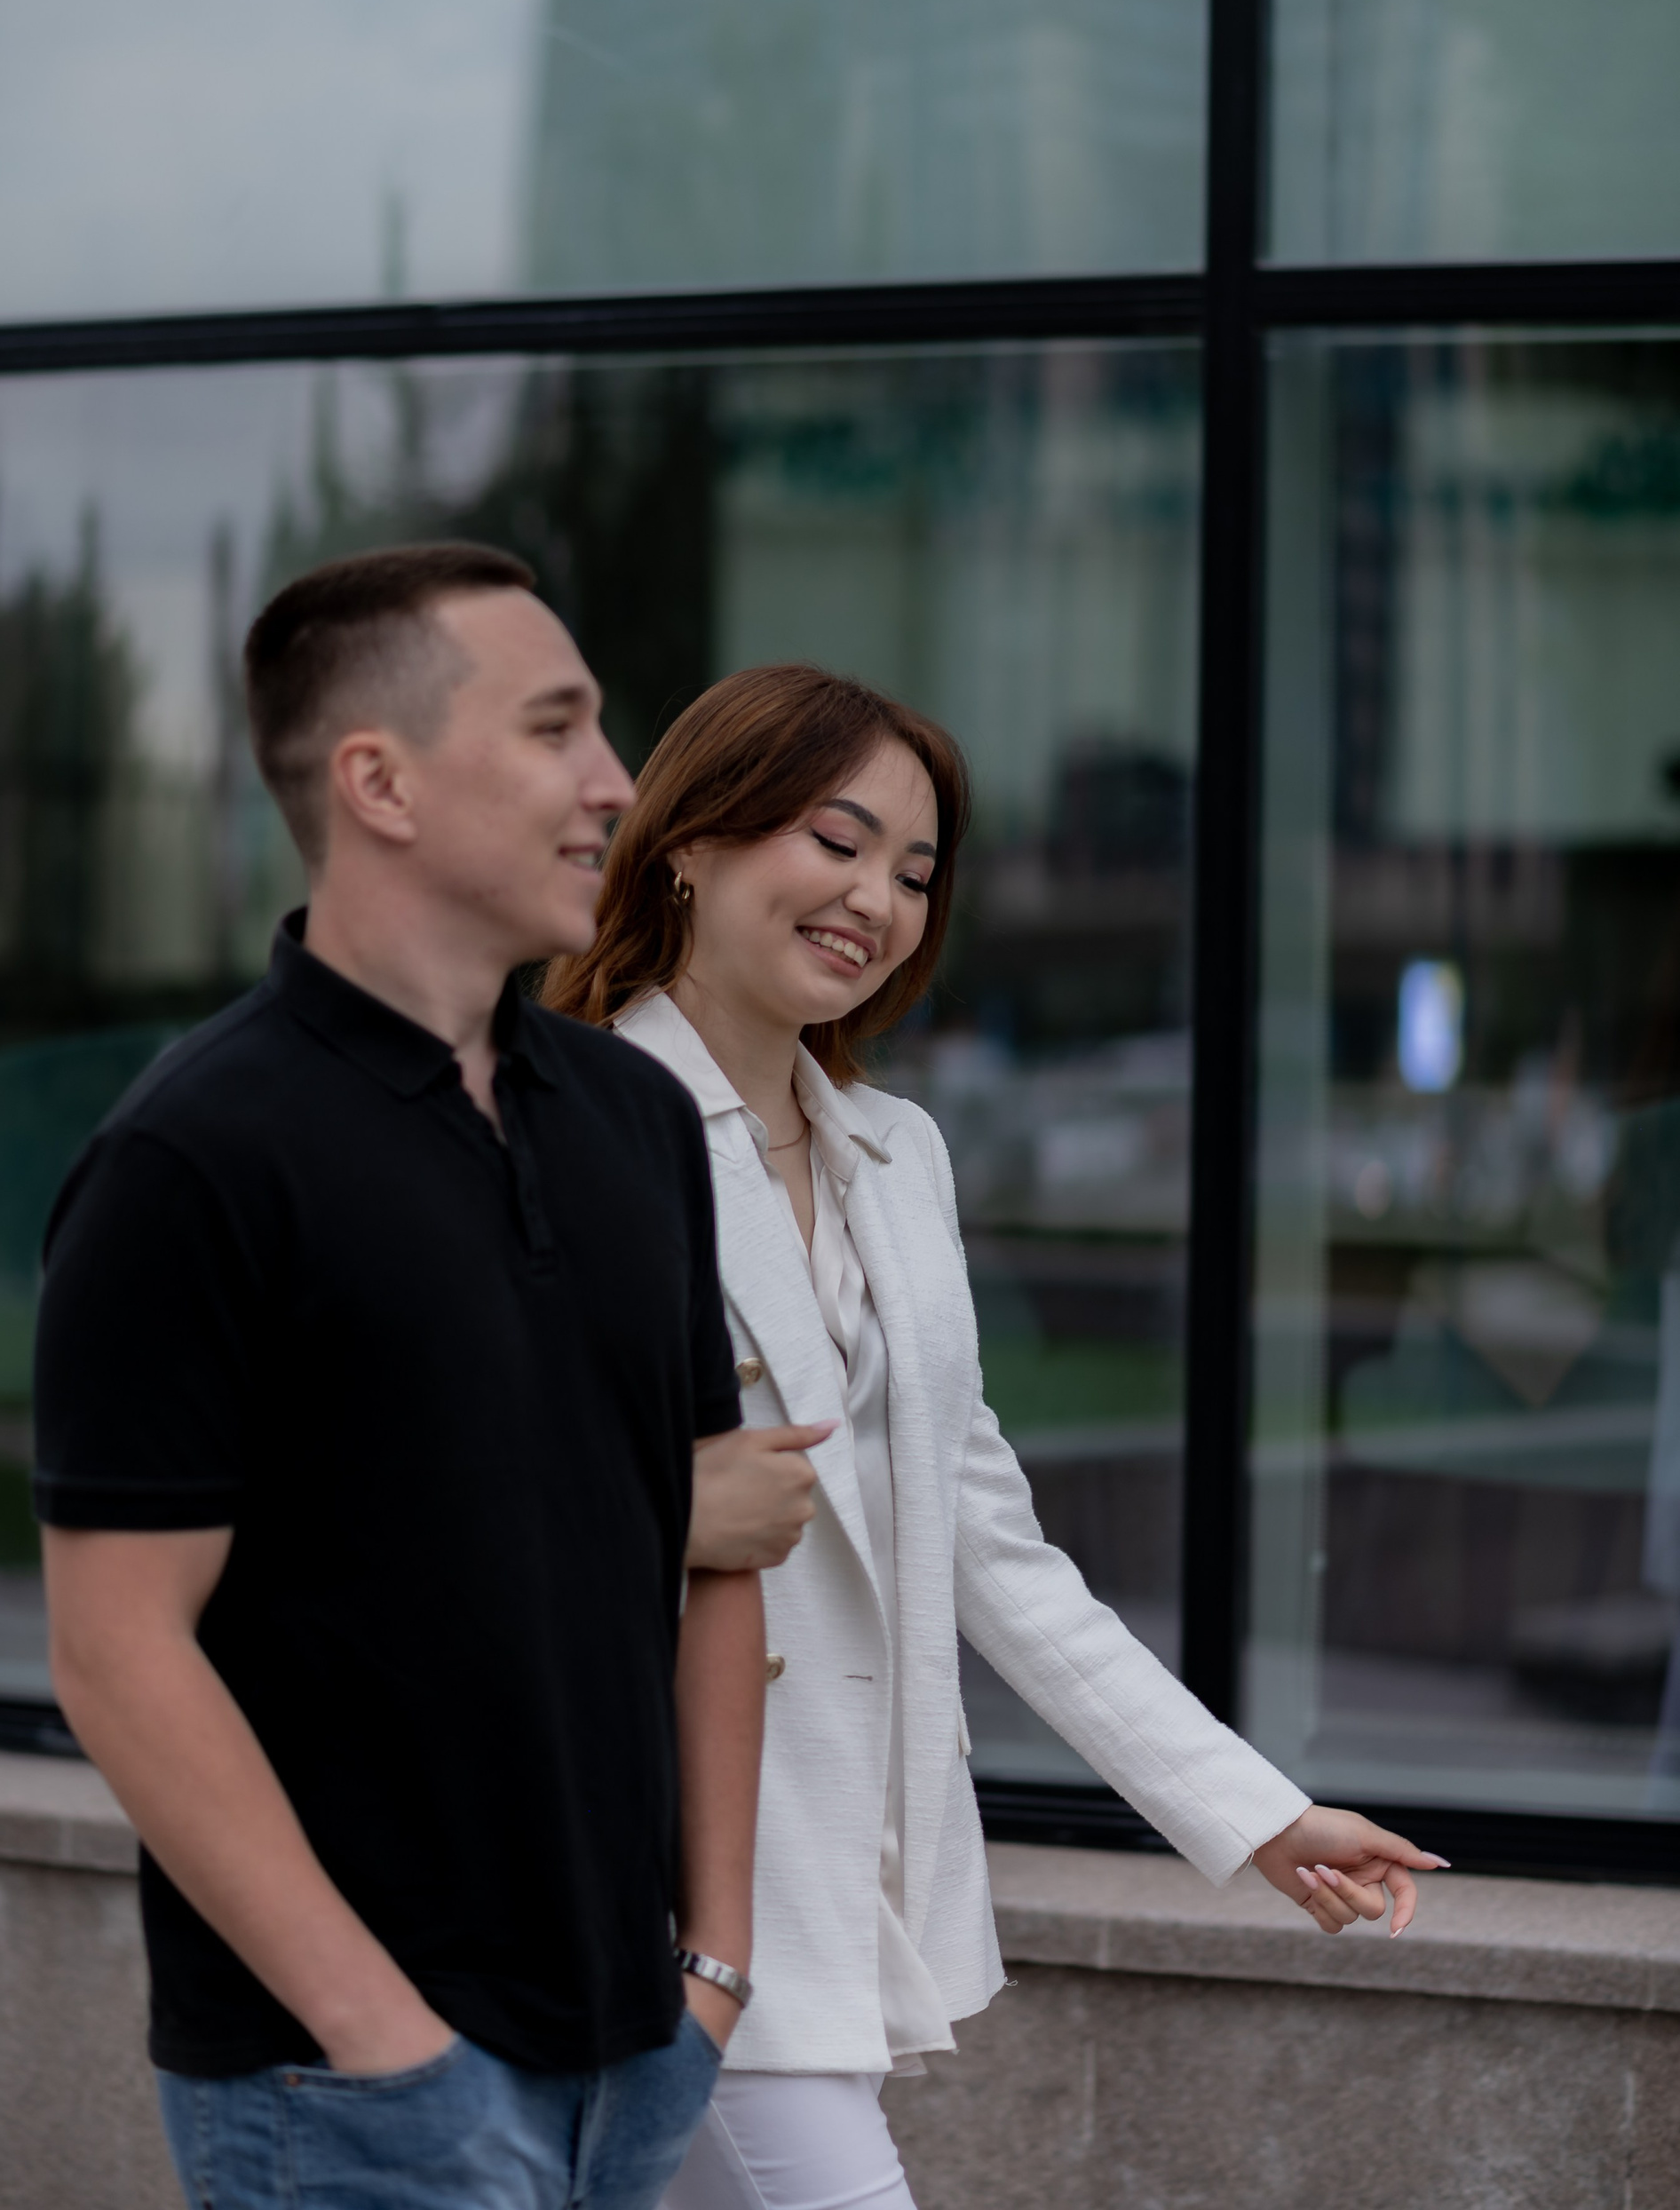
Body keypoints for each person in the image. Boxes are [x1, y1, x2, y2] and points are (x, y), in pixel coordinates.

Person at [546, 664, 1448, 2210]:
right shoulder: (566, 1125)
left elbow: (990, 1546)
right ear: (689, 840)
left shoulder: (899, 1157)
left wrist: (1255, 1814)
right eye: (836, 841)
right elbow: (460, 1494)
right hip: (645, 1864)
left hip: (832, 1870)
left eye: (914, 872)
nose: (875, 901)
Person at [34, 544, 765, 2210]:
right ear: (380, 782)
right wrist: (383, 2040)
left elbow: (711, 1551)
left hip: (634, 2051)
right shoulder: (192, 1158)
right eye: (555, 729)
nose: (614, 783)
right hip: (348, 2090)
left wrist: (712, 1966)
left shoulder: (640, 1123)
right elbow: (116, 1648)